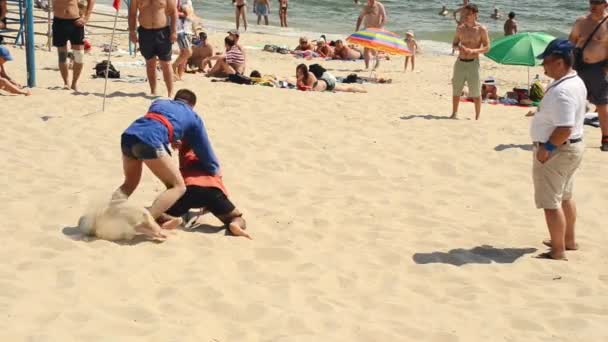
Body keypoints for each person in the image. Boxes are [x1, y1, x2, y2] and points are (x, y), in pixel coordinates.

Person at [114, 89, 220, 227]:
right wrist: (214, 169)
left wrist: (173, 136)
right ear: (192, 105)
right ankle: (147, 221)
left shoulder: (158, 103)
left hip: (129, 135)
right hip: (149, 140)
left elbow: (159, 121)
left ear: (175, 99)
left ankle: (106, 214)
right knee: (178, 187)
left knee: (129, 183)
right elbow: (204, 149)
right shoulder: (194, 117)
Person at [530, 39, 586, 261]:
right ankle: (568, 240)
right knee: (565, 197)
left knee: (550, 203)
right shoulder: (575, 80)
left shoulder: (563, 90)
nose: (543, 66)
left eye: (547, 61)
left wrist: (547, 148)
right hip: (572, 148)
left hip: (559, 150)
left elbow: (564, 127)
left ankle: (557, 250)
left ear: (560, 62)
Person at [159, 141, 251, 239]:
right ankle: (235, 224)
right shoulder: (211, 159)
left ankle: (172, 219)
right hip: (214, 191)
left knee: (161, 214)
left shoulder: (184, 156)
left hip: (190, 190)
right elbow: (219, 180)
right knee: (236, 217)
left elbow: (178, 182)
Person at [569, 0, 608, 151]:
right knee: (574, 101)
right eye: (591, 1)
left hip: (598, 68)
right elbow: (571, 41)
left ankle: (606, 138)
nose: (593, 5)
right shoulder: (581, 21)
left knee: (602, 104)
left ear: (605, 5)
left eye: (597, 2)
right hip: (578, 67)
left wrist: (606, 67)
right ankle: (569, 134)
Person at [129, 0, 177, 97]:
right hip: (144, 32)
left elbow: (173, 12)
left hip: (163, 32)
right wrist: (132, 31)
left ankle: (170, 93)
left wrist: (174, 31)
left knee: (166, 63)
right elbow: (132, 13)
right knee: (150, 62)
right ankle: (153, 91)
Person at [450, 4, 490, 120]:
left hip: (473, 63)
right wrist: (459, 48)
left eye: (468, 14)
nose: (465, 16)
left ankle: (477, 117)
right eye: (464, 14)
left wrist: (473, 50)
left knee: (476, 92)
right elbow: (454, 43)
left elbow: (487, 47)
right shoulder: (460, 28)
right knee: (456, 89)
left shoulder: (481, 29)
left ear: (475, 14)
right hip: (460, 62)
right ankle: (454, 114)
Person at [52, 0, 95, 91]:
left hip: (75, 21)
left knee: (79, 55)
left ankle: (74, 83)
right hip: (59, 21)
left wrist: (86, 18)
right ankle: (66, 83)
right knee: (62, 55)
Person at [355, 0, 387, 69]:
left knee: (369, 47)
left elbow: (384, 18)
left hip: (377, 29)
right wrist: (357, 29)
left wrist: (380, 26)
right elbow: (360, 18)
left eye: (372, 0)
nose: (371, 2)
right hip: (367, 29)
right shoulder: (365, 7)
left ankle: (375, 61)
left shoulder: (379, 5)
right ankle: (368, 66)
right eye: (369, 0)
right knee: (367, 48)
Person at [296, 64, 366, 93]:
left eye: (300, 72)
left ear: (304, 71)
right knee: (344, 87)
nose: (298, 73)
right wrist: (299, 80)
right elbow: (299, 86)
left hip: (327, 84)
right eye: (298, 72)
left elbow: (310, 88)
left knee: (346, 89)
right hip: (323, 84)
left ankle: (362, 90)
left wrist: (299, 81)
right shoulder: (301, 77)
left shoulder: (310, 75)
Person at [173, 0, 195, 81]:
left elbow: (190, 13)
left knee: (183, 54)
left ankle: (179, 75)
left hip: (187, 29)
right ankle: (174, 66)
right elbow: (174, 12)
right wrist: (187, 15)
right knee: (188, 52)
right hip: (182, 30)